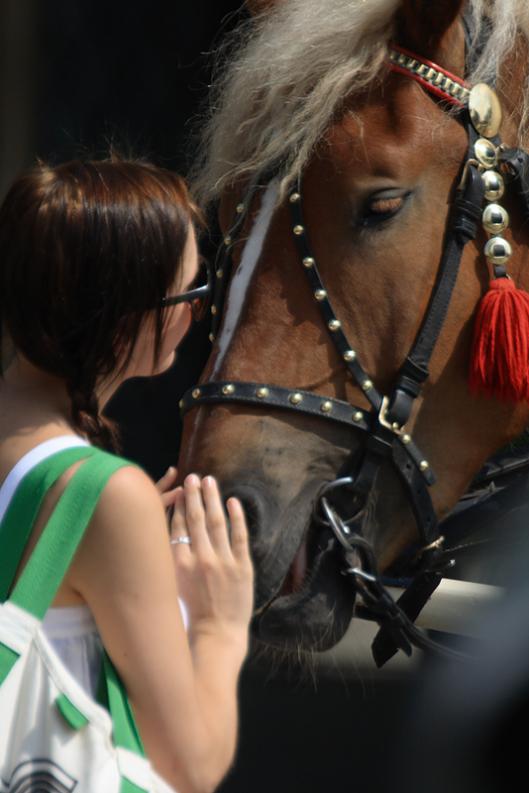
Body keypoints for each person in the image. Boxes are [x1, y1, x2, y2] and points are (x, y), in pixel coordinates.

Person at [0, 158, 254, 793]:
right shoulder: (104, 495)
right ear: (125, 312)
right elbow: (189, 766)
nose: (198, 315)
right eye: (191, 294)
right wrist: (221, 627)